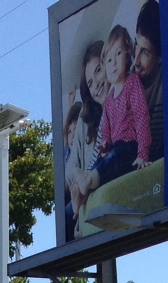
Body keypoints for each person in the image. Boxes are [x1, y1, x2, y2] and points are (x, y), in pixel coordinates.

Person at [94, 24, 149, 184]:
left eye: (118, 53)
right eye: (109, 60)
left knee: (118, 152)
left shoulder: (132, 82)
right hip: (115, 149)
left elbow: (141, 117)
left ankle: (91, 180)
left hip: (131, 147)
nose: (114, 63)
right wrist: (104, 144)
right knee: (101, 161)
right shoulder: (109, 100)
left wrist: (143, 154)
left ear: (127, 55)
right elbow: (106, 130)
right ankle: (84, 185)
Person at [63, 41, 108, 237]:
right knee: (64, 217)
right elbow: (70, 168)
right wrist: (77, 175)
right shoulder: (85, 119)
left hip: (101, 186)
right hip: (82, 196)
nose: (96, 84)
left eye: (98, 71)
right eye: (89, 83)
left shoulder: (122, 98)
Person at [135, 0, 164, 167]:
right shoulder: (124, 80)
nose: (136, 61)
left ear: (160, 57)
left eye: (145, 52)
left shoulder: (167, 85)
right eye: (136, 45)